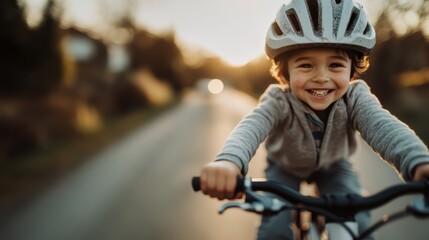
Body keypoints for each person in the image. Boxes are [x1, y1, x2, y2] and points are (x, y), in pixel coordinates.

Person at [199, 0, 429, 239]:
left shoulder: (355, 98)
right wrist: (229, 163)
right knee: (273, 230)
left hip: (335, 167)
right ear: (285, 72)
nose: (321, 77)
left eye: (335, 65)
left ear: (352, 70)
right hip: (285, 168)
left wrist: (419, 161)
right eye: (306, 65)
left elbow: (383, 126)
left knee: (358, 224)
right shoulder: (278, 101)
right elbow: (250, 128)